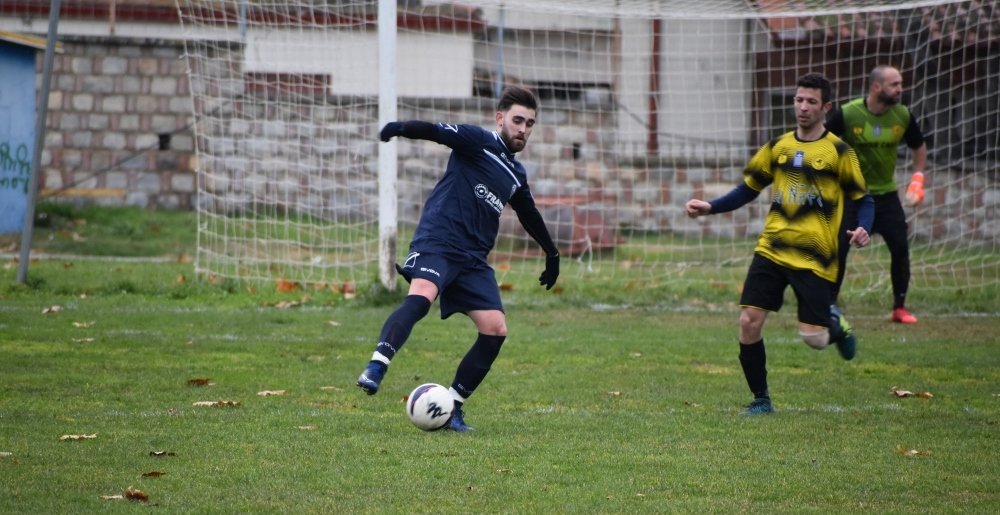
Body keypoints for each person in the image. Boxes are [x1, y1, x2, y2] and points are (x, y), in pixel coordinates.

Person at [355, 86, 560, 432]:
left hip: (473, 260)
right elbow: (436, 132)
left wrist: (552, 253)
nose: (523, 129)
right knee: (421, 296)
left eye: (530, 124)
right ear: (500, 118)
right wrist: (399, 127)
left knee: (495, 330)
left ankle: (452, 408)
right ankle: (377, 365)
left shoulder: (516, 174)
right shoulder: (476, 140)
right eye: (517, 120)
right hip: (439, 240)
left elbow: (529, 213)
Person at [685, 72, 874, 415]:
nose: (803, 107)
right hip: (772, 247)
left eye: (811, 101)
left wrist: (863, 229)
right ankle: (761, 400)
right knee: (748, 321)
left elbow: (865, 199)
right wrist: (711, 207)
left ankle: (836, 324)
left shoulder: (840, 152)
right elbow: (748, 189)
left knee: (814, 340)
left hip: (815, 255)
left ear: (826, 107)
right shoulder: (778, 147)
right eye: (798, 100)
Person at [826, 65, 928, 324]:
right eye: (894, 84)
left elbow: (919, 146)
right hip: (852, 196)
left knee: (901, 248)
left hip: (886, 196)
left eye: (900, 83)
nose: (899, 89)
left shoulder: (903, 116)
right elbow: (822, 141)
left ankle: (899, 308)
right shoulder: (848, 114)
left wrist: (918, 178)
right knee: (839, 250)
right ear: (876, 87)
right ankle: (828, 305)